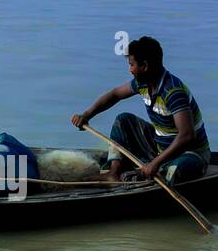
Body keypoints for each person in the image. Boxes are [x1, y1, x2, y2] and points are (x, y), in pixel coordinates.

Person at [70, 36, 210, 183]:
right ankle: (113, 174)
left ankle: (156, 171)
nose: (130, 70)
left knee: (174, 171)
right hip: (160, 147)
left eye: (132, 65)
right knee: (123, 120)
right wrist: (86, 115)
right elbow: (114, 94)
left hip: (190, 153)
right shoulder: (142, 83)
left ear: (145, 66)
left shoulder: (173, 92)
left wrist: (155, 163)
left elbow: (187, 136)